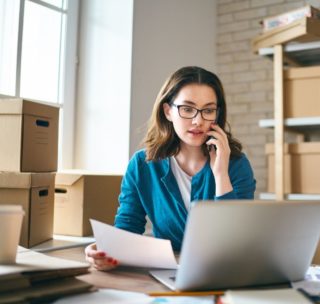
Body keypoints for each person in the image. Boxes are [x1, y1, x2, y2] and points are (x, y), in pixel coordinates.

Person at [85, 66, 256, 270]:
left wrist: (220, 175)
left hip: (223, 271)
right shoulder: (142, 165)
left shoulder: (236, 164)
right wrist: (107, 251)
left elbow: (236, 241)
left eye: (208, 110)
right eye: (187, 109)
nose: (198, 120)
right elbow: (128, 227)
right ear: (168, 111)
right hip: (168, 273)